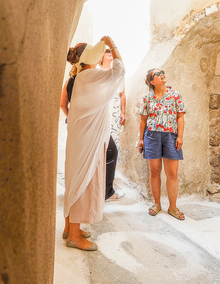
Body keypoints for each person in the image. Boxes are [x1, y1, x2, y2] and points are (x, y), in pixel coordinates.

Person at [62, 36, 125, 251]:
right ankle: (74, 236)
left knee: (76, 177)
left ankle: (70, 227)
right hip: (86, 138)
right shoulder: (90, 75)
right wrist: (113, 45)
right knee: (83, 179)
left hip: (83, 136)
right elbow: (119, 72)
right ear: (92, 58)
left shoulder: (83, 76)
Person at [138, 69, 186, 220]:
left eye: (163, 72)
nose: (162, 74)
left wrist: (180, 136)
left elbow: (180, 117)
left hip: (171, 136)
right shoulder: (147, 98)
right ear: (153, 81)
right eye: (158, 74)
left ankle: (173, 207)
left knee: (172, 173)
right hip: (152, 136)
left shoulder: (175, 95)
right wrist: (141, 139)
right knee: (154, 171)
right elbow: (143, 120)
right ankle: (157, 204)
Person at [99, 49, 126, 201]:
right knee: (105, 150)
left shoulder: (118, 75)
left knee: (112, 148)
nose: (109, 53)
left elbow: (123, 94)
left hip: (114, 112)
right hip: (103, 112)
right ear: (100, 58)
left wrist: (123, 112)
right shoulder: (98, 72)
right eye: (106, 52)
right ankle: (104, 188)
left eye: (111, 52)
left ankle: (108, 186)